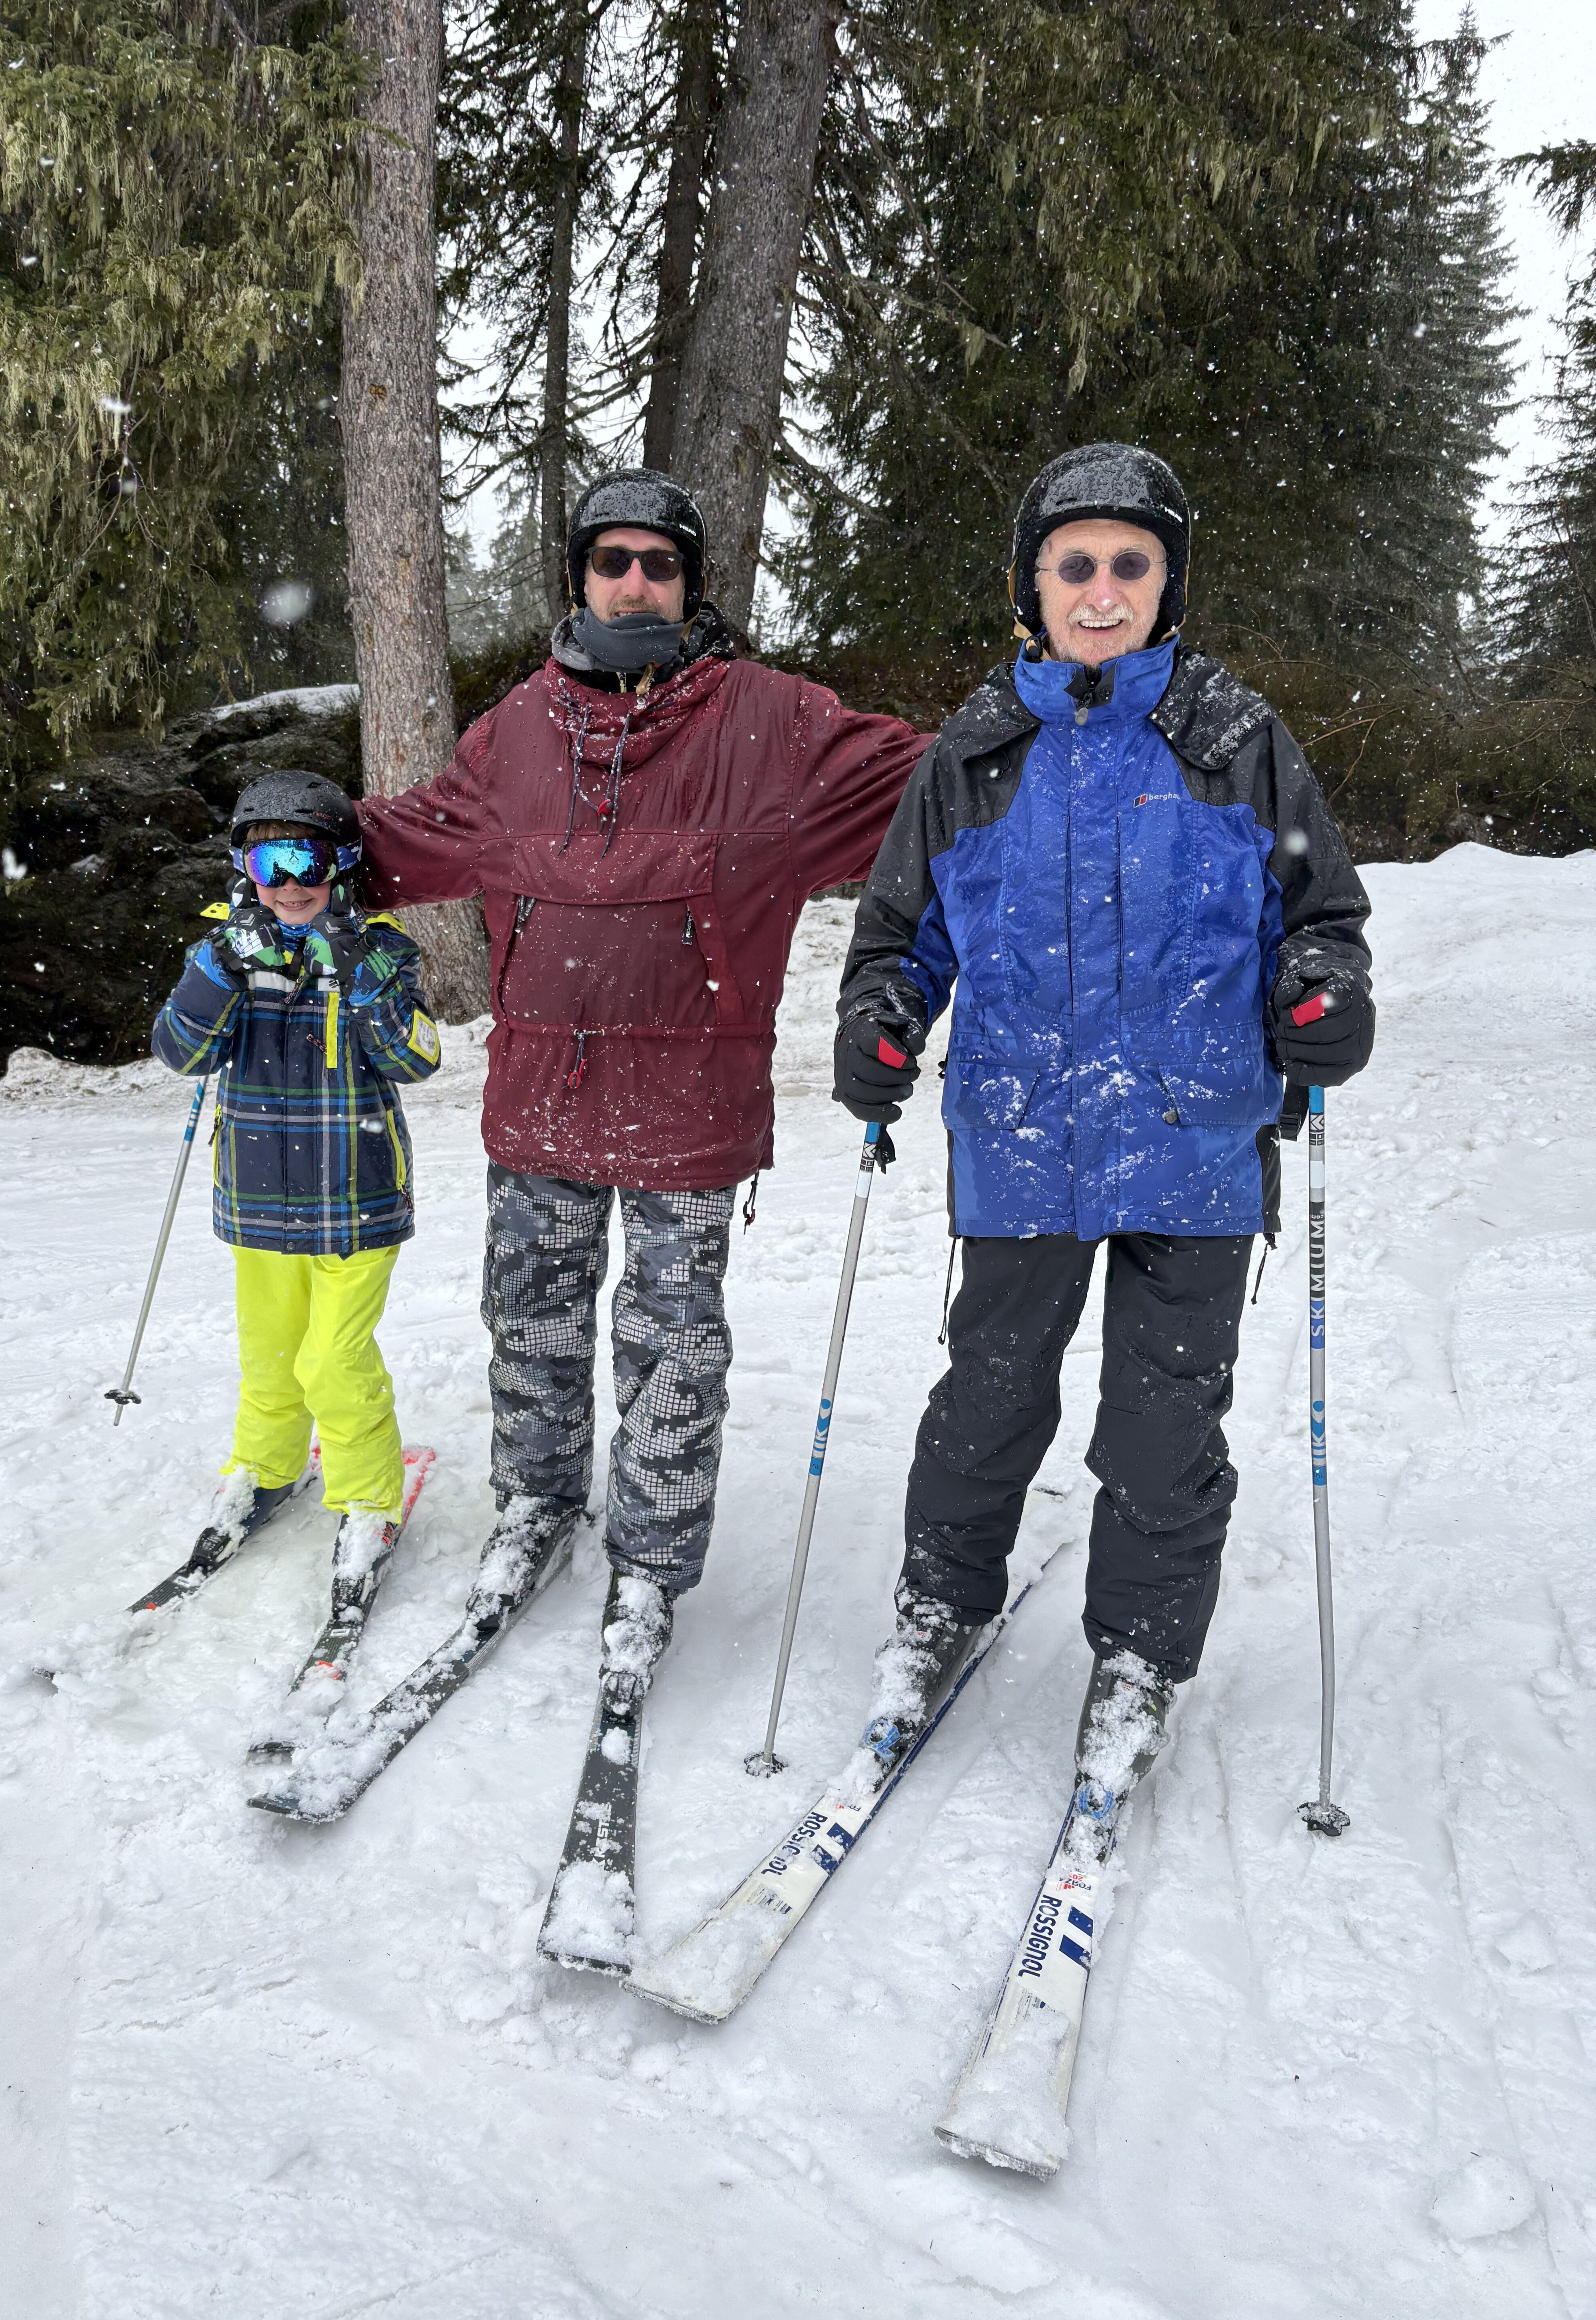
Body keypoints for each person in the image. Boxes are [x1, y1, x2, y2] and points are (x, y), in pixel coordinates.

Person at [833, 441, 1374, 1842]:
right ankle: (936, 1609)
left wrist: (1322, 992)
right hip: (1020, 1137)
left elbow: (1319, 914)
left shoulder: (1233, 737)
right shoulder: (972, 750)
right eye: (1073, 563)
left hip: (1193, 1147)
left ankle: (1138, 1658)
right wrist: (884, 1014)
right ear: (1032, 582)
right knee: (989, 1396)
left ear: (1166, 584)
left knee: (1160, 1424)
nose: (1099, 587)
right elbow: (901, 934)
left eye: (1129, 564)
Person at [353, 466, 929, 1692]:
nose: (633, 581)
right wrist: (293, 840)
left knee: (673, 1348)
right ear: (580, 577)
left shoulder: (777, 725)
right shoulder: (512, 732)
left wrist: (1058, 723)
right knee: (532, 1325)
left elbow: (943, 782)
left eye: (658, 564)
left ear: (690, 585)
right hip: (538, 1103)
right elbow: (410, 838)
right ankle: (533, 1507)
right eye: (612, 561)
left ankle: (654, 1564)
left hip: (688, 1111)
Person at [151, 769, 441, 1612]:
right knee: (271, 1357)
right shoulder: (223, 951)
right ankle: (268, 1470)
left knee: (333, 1360)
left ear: (341, 864)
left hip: (356, 1199)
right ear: (243, 868)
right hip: (257, 1199)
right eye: (268, 864)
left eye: (306, 862)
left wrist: (361, 977)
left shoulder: (381, 949)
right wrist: (220, 971)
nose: (289, 887)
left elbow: (418, 1058)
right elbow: (180, 1052)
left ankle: (367, 1501)